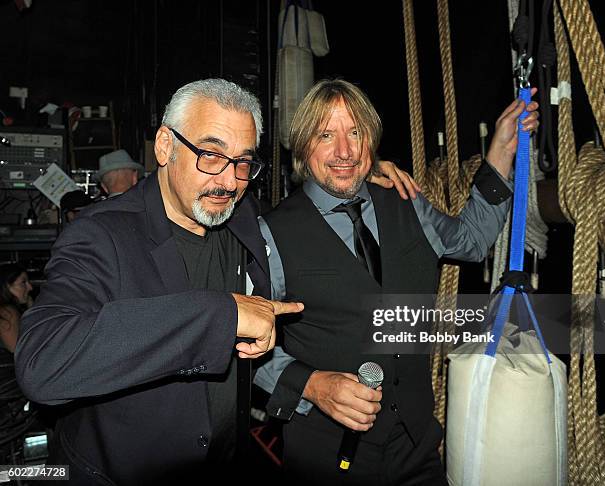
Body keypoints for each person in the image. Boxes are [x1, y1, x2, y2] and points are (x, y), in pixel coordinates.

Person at [14, 79, 305, 485]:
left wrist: (359, 179)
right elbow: (41, 363)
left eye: (243, 162)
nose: (228, 181)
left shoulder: (238, 212)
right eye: (210, 154)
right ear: (165, 146)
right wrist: (220, 315)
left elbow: (299, 213)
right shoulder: (101, 235)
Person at [254, 79, 539, 484]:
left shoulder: (405, 202)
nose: (344, 151)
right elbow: (243, 344)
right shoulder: (271, 233)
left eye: (356, 133)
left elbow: (472, 241)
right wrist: (313, 386)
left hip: (416, 446)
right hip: (327, 457)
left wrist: (502, 152)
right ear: (303, 147)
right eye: (326, 135)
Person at [0, 263, 33, 353]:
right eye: (23, 283)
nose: (30, 287)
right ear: (7, 286)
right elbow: (16, 350)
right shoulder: (7, 312)